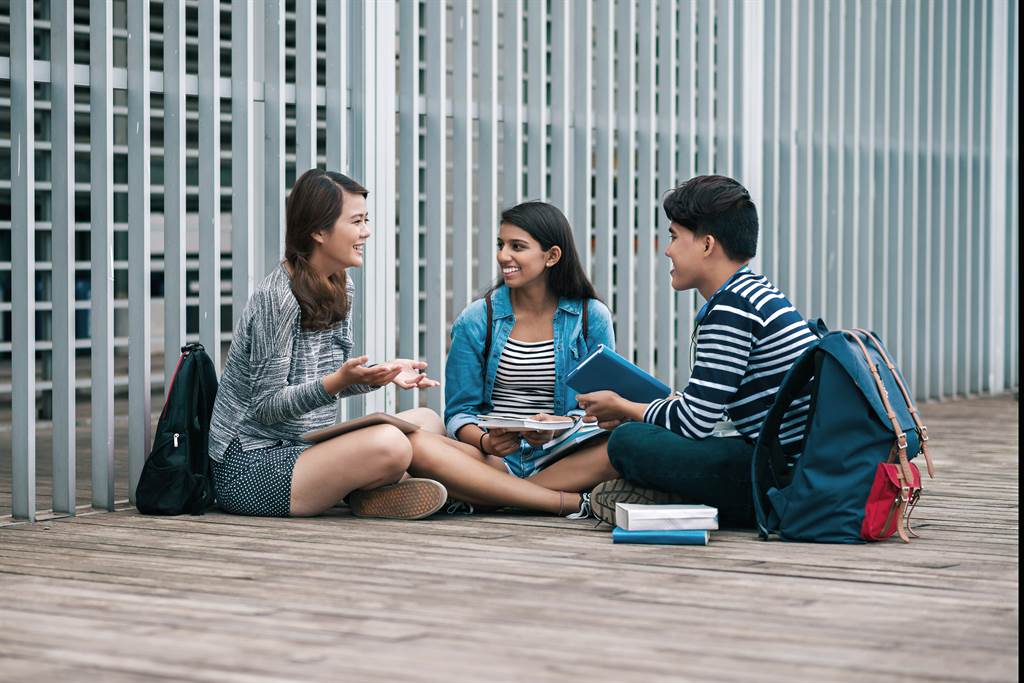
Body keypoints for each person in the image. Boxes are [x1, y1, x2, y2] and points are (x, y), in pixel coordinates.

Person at [576, 175, 818, 527]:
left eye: (674, 236)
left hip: (781, 479)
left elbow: (694, 423)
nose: (667, 249)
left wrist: (625, 407)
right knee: (647, 431)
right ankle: (668, 497)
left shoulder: (731, 310)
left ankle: (685, 500)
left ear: (706, 245)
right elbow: (706, 414)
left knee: (628, 440)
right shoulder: (755, 292)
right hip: (788, 463)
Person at [208, 169, 448, 519]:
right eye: (356, 221)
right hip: (251, 464)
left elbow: (325, 382)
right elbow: (266, 407)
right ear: (319, 231)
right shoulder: (277, 298)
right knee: (392, 443)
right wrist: (341, 381)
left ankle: (361, 493)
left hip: (303, 448)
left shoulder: (340, 284)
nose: (366, 231)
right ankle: (364, 488)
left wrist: (376, 374)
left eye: (366, 220)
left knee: (427, 421)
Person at [402, 201, 620, 516]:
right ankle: (566, 502)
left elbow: (603, 407)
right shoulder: (477, 318)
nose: (504, 256)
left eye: (517, 246)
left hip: (563, 455)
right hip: (493, 459)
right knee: (418, 445)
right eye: (501, 245)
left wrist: (559, 426)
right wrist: (487, 442)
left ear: (552, 256)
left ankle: (481, 494)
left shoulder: (590, 317)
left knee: (624, 445)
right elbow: (460, 412)